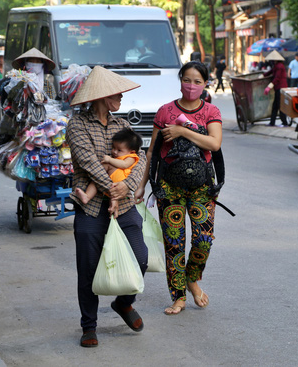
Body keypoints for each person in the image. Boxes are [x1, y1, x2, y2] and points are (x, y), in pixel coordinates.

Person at [66, 66, 148, 348]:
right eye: (117, 93)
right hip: (90, 209)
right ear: (102, 96)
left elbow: (140, 157)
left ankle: (124, 304)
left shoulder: (120, 125)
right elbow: (87, 161)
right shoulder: (77, 125)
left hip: (123, 206)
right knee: (88, 270)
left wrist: (128, 185)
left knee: (140, 258)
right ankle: (89, 326)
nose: (122, 97)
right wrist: (113, 187)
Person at [135, 61, 222, 316]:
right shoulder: (165, 112)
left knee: (203, 240)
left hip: (202, 187)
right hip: (169, 186)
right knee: (174, 243)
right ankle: (179, 297)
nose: (191, 86)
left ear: (205, 83)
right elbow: (152, 152)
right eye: (187, 80)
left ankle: (192, 278)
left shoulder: (211, 111)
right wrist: (142, 185)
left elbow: (214, 144)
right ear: (180, 80)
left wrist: (183, 131)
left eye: (197, 81)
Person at [75, 127, 142, 217]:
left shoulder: (132, 157)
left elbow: (124, 165)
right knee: (96, 180)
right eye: (113, 148)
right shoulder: (121, 155)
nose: (114, 151)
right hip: (112, 178)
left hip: (121, 179)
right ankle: (87, 196)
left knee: (114, 193)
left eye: (119, 150)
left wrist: (110, 160)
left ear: (132, 151)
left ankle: (113, 209)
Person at [263, 51, 289, 126]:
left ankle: (284, 122)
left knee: (279, 105)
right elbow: (270, 72)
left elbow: (277, 78)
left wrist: (269, 86)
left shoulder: (279, 66)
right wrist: (262, 75)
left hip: (281, 88)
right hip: (278, 88)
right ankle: (272, 122)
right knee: (275, 105)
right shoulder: (276, 65)